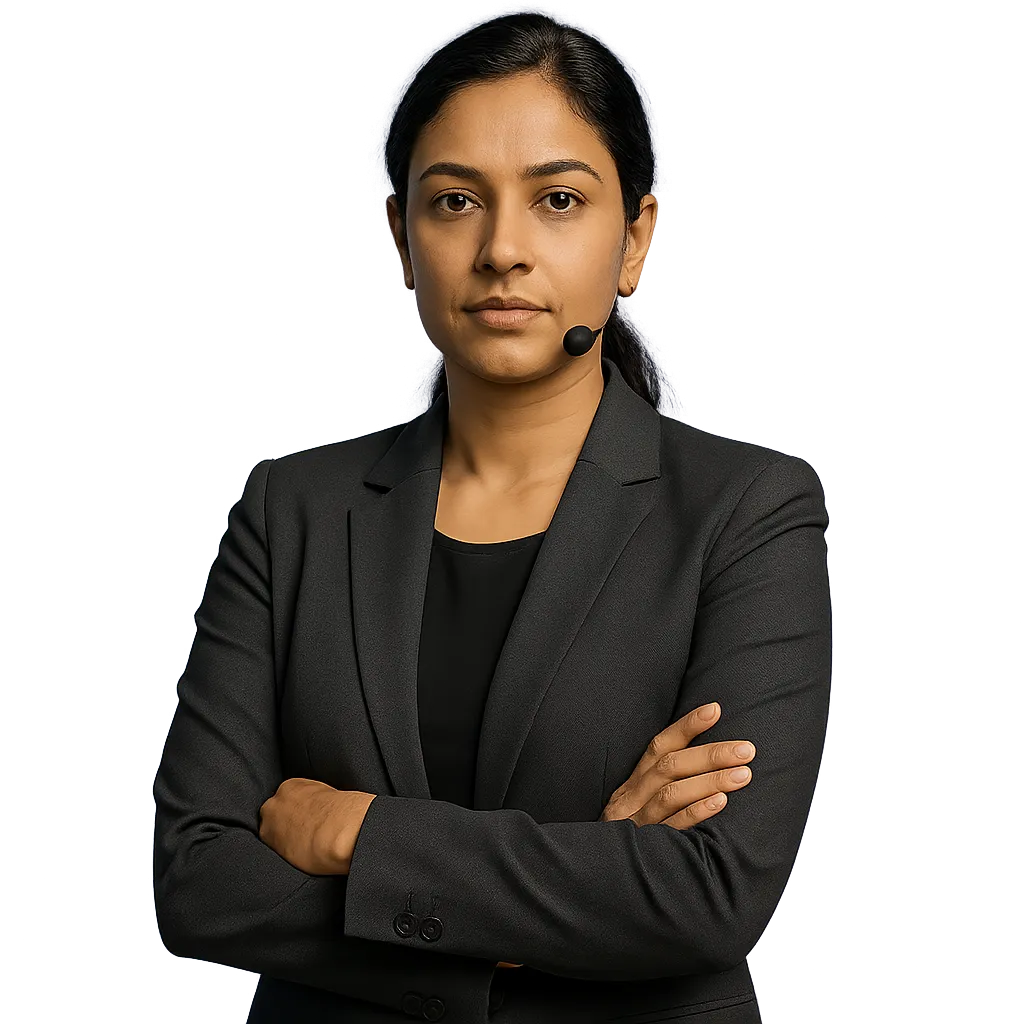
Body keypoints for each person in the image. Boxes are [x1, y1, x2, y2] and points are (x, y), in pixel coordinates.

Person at [152, 12, 832, 1024]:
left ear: (633, 238)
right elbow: (200, 881)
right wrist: (552, 911)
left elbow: (706, 895)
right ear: (400, 238)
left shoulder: (747, 511)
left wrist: (360, 834)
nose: (501, 249)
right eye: (455, 202)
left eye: (558, 199)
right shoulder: (290, 508)